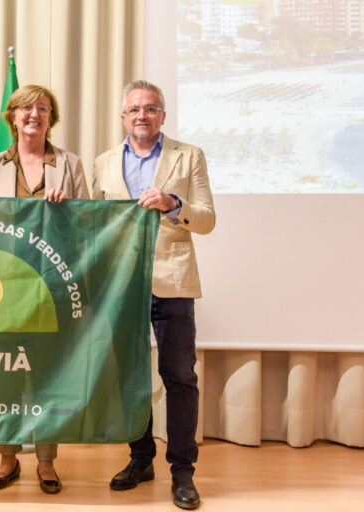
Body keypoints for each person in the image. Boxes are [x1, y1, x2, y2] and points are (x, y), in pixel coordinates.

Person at [0, 84, 89, 494]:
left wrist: (66, 206)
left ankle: (47, 462)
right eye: (26, 108)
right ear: (12, 118)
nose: (35, 114)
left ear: (52, 118)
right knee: (5, 376)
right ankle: (7, 458)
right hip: (3, 286)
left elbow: (87, 224)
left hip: (51, 285)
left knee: (47, 374)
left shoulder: (69, 163)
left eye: (44, 108)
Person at [91, 80, 215, 510]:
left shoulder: (189, 155)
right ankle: (140, 459)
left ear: (163, 115)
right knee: (129, 378)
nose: (142, 115)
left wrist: (173, 203)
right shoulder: (103, 162)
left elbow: (207, 220)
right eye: (134, 110)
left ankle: (183, 473)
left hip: (173, 282)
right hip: (121, 286)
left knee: (179, 377)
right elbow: (95, 225)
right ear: (123, 117)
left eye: (151, 109)